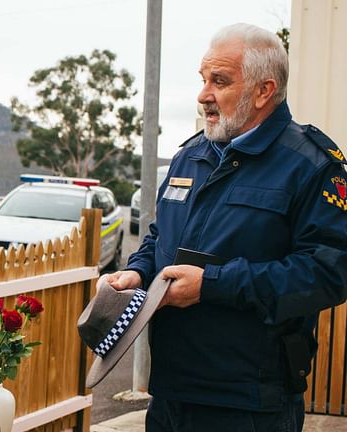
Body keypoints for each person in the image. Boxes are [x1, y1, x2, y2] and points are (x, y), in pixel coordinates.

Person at [105, 23, 347, 431]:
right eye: (203, 79)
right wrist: (138, 271)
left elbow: (329, 273)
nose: (203, 95)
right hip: (170, 394)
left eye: (219, 81)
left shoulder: (311, 165)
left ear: (263, 91)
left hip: (249, 403)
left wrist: (212, 285)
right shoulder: (189, 157)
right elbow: (159, 237)